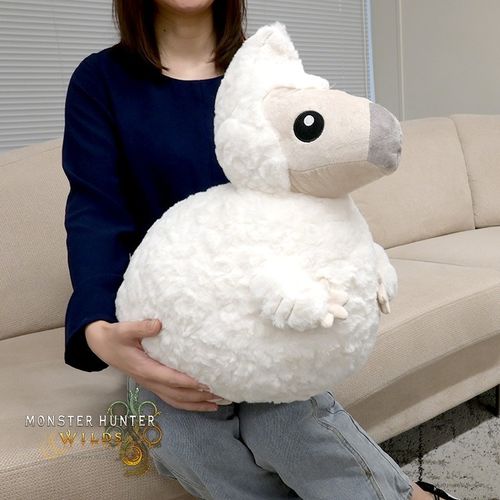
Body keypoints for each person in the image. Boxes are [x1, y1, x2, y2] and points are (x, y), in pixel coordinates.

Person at [62, 1, 459, 499]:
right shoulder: (101, 81)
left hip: (274, 302)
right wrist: (97, 328)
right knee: (184, 440)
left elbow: (313, 179)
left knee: (288, 425)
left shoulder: (265, 70)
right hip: (173, 322)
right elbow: (95, 212)